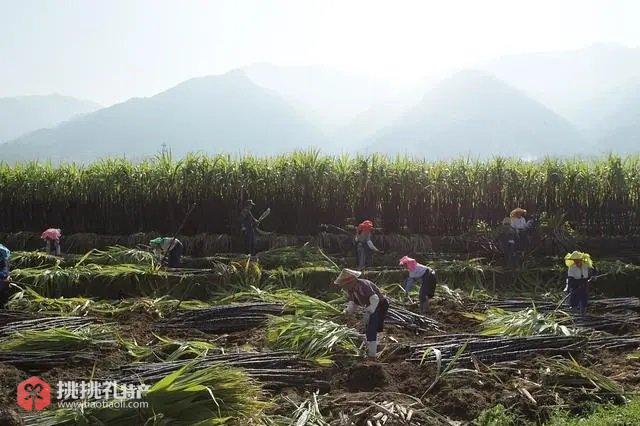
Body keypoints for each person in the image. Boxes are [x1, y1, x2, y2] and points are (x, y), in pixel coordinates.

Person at [334, 268, 389, 359]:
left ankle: (372, 355)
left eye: (344, 285)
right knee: (368, 327)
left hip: (379, 304)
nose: (343, 287)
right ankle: (373, 346)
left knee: (372, 327)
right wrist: (346, 312)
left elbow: (375, 299)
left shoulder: (363, 285)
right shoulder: (351, 290)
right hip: (370, 306)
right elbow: (353, 303)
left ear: (351, 282)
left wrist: (370, 310)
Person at [564, 251, 597, 315]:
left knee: (584, 300)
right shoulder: (571, 268)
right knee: (574, 301)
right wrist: (568, 288)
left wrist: (594, 276)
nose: (576, 261)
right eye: (574, 260)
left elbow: (594, 270)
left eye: (577, 260)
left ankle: (583, 315)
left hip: (585, 285)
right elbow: (570, 279)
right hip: (575, 285)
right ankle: (574, 315)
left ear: (580, 259)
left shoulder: (586, 265)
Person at [0, 244, 11, 309]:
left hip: (3, 286)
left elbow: (6, 273)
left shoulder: (3, 263)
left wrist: (8, 277)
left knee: (3, 301)